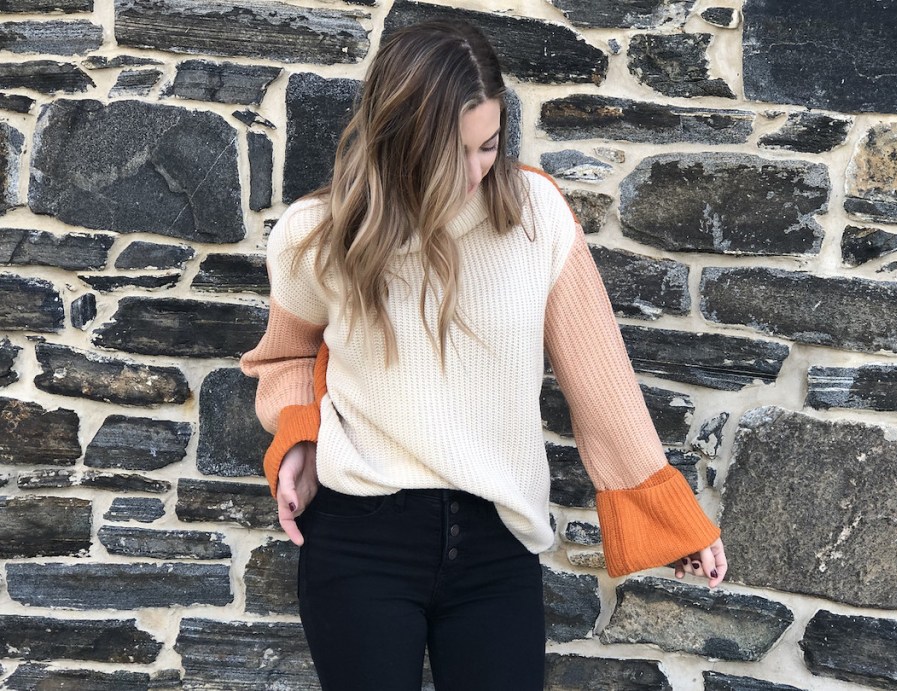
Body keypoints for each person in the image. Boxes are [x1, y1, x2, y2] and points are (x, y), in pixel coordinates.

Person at [240, 19, 727, 691]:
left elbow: (601, 380)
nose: (476, 172)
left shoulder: (537, 219)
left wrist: (671, 514)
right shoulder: (318, 235)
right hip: (361, 541)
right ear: (401, 140)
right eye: (454, 153)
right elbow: (287, 358)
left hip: (496, 546)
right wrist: (297, 438)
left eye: (488, 146)